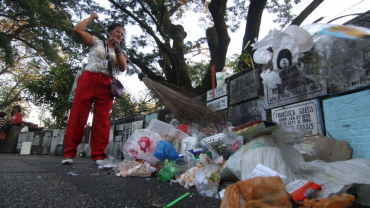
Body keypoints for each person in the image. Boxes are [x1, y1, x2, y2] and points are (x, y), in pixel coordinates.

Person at [61, 12, 127, 165]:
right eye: (117, 31)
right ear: (110, 31)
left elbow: (122, 67)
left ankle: (98, 155)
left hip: (107, 84)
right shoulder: (97, 42)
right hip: (88, 79)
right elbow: (77, 30)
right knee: (78, 115)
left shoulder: (121, 51)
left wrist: (117, 50)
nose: (119, 35)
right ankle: (69, 153)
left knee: (102, 119)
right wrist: (91, 18)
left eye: (122, 34)